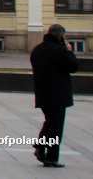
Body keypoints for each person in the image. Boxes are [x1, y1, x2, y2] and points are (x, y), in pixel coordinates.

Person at [30, 24, 78, 168]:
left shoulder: (37, 50)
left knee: (49, 123)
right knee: (55, 127)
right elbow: (74, 66)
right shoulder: (60, 51)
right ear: (60, 35)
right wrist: (69, 51)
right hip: (58, 94)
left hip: (42, 93)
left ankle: (40, 146)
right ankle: (51, 157)